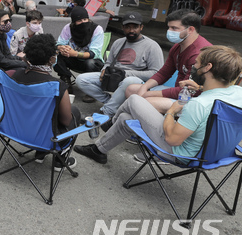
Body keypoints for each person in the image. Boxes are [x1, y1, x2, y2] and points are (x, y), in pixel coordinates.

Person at [75, 45, 242, 165]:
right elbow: (216, 96)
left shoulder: (198, 105)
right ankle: (99, 150)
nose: (193, 67)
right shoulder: (238, 93)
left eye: (196, 64)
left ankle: (107, 124)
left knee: (134, 100)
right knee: (126, 118)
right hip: (220, 154)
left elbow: (172, 140)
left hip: (183, 156)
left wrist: (171, 111)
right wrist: (199, 87)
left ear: (208, 68)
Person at [12, 34, 82, 170]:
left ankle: (40, 154)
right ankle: (59, 161)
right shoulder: (57, 86)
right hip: (43, 138)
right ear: (51, 59)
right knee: (75, 112)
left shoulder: (13, 75)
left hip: (13, 130)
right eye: (55, 54)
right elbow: (66, 121)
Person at [124, 9, 212, 114]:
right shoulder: (177, 47)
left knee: (147, 101)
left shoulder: (200, 54)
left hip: (193, 100)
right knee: (131, 89)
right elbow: (163, 73)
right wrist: (145, 87)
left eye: (174, 28)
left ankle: (156, 128)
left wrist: (148, 94)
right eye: (169, 27)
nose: (169, 31)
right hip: (178, 91)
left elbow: (188, 90)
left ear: (190, 30)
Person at [76, 12, 164, 115]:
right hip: (114, 76)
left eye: (135, 27)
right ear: (123, 28)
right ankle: (112, 102)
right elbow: (109, 62)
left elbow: (156, 73)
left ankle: (107, 111)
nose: (131, 30)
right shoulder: (118, 42)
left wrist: (126, 74)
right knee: (81, 79)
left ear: (141, 27)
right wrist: (104, 69)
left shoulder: (152, 46)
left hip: (136, 81)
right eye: (128, 27)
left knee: (129, 80)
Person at [54, 6, 104, 90]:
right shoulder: (68, 28)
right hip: (73, 59)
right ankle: (66, 82)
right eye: (79, 21)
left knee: (90, 63)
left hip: (91, 61)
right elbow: (59, 43)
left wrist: (75, 53)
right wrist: (62, 48)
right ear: (74, 22)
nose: (83, 22)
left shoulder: (97, 29)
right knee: (56, 56)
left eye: (85, 19)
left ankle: (92, 88)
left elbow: (93, 53)